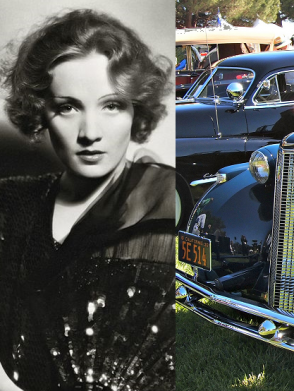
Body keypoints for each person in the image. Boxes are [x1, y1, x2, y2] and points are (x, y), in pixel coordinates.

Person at [0, 9, 175, 391]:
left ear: (136, 110)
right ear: (40, 113)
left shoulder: (166, 205)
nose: (90, 132)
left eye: (111, 105)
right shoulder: (10, 203)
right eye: (68, 107)